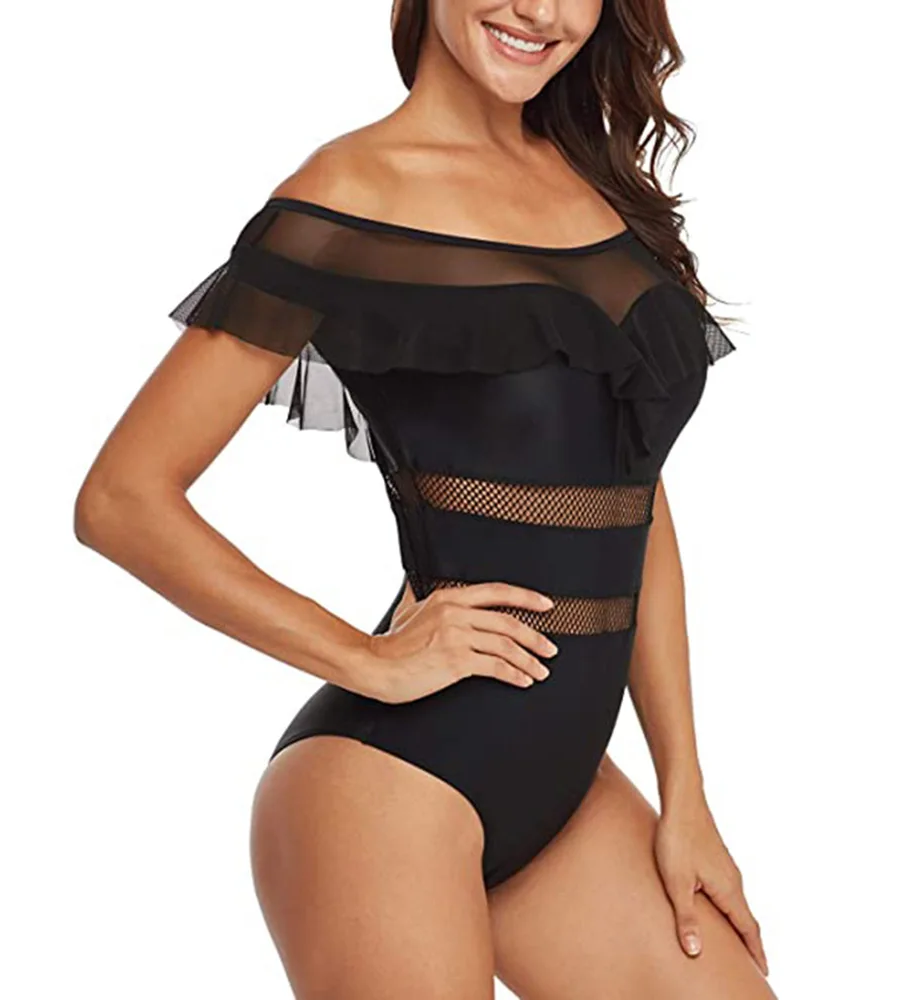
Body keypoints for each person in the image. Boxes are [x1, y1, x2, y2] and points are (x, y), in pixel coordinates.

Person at [74, 1, 777, 997]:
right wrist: (365, 657)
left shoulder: (595, 188)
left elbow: (632, 496)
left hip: (565, 794)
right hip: (389, 788)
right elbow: (121, 498)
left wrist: (686, 795)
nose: (539, 9)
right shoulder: (350, 192)